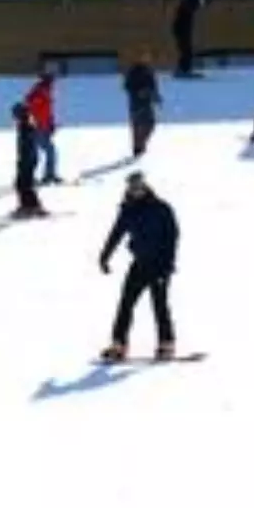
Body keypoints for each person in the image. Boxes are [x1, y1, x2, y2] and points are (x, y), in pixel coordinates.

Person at [98, 172, 178, 362]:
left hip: (159, 264)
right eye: (133, 187)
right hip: (140, 263)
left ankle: (166, 344)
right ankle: (119, 344)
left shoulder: (161, 208)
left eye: (139, 186)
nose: (136, 190)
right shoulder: (128, 209)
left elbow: (172, 237)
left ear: (145, 186)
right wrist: (105, 256)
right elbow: (116, 233)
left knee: (159, 305)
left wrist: (167, 264)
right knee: (126, 302)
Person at [24, 63, 62, 184]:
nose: (53, 81)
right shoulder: (39, 91)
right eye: (51, 78)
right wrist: (36, 122)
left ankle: (43, 176)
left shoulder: (46, 91)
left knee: (44, 152)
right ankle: (44, 176)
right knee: (45, 152)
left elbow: (47, 111)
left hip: (43, 127)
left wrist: (51, 124)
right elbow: (31, 105)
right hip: (37, 127)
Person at [123, 51, 162, 157]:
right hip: (136, 102)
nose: (147, 59)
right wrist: (139, 92)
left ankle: (140, 144)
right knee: (138, 124)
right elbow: (127, 86)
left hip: (147, 102)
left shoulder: (149, 71)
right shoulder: (134, 71)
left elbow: (153, 85)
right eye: (144, 57)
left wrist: (156, 97)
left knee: (149, 124)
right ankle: (137, 147)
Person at [11, 102, 46, 218]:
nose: (14, 118)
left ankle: (30, 207)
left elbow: (28, 145)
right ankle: (30, 206)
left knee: (23, 184)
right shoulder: (24, 125)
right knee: (23, 183)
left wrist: (25, 160)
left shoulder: (26, 126)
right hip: (27, 158)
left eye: (15, 115)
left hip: (28, 159)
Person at [172, 0, 204, 78]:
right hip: (182, 29)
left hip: (182, 28)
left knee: (186, 50)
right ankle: (183, 70)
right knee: (186, 50)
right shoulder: (186, 10)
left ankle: (184, 69)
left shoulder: (186, 11)